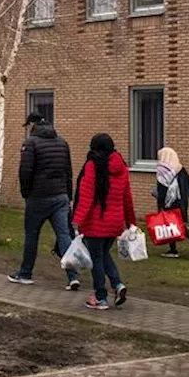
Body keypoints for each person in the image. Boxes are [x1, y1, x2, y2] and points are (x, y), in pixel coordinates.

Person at [9, 113, 79, 289]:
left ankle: (25, 273)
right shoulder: (62, 142)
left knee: (32, 235)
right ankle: (72, 276)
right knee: (64, 235)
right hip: (61, 196)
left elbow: (25, 171)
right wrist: (68, 196)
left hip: (38, 196)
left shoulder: (30, 143)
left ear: (32, 124)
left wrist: (26, 193)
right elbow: (68, 172)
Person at [71, 133, 135, 310]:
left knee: (96, 260)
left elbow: (86, 196)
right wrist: (131, 222)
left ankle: (100, 297)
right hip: (115, 222)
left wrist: (77, 220)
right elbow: (127, 197)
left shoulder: (92, 166)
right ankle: (117, 284)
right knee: (104, 254)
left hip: (95, 223)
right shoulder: (121, 167)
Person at [153, 147, 189, 258]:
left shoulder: (162, 170)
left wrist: (160, 205)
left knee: (171, 224)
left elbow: (161, 190)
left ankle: (181, 246)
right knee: (176, 224)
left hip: (169, 202)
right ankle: (185, 244)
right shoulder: (180, 169)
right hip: (181, 201)